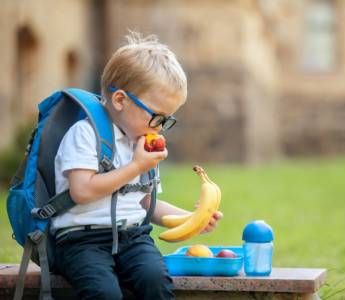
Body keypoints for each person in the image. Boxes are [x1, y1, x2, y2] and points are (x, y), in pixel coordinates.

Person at [51, 31, 223, 300]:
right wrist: (134, 166)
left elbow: (146, 203)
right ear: (121, 100)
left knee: (156, 280)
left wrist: (194, 219)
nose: (160, 127)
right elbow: (81, 191)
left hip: (133, 237)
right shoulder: (85, 134)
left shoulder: (141, 143)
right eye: (157, 117)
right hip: (81, 241)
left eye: (167, 120)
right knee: (104, 293)